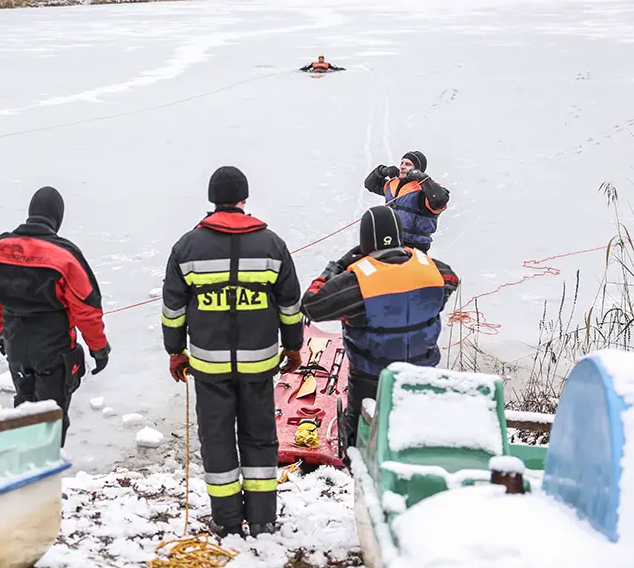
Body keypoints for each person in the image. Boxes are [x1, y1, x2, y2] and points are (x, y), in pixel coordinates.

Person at [161, 166, 304, 539]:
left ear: (212, 199)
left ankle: (226, 521)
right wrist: (293, 346)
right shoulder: (272, 245)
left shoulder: (186, 248)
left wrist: (175, 351)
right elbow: (290, 305)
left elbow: (173, 309)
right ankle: (262, 519)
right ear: (244, 198)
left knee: (217, 439)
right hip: (260, 364)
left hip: (209, 366)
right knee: (260, 437)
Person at [300, 205, 459, 450]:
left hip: (371, 378)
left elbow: (311, 305)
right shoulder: (435, 271)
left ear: (365, 241)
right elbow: (451, 281)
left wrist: (337, 267)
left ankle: (356, 461)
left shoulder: (357, 283)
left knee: (362, 438)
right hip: (422, 373)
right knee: (414, 434)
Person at [0, 186, 110, 447]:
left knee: (24, 411)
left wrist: (1, 332)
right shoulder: (64, 256)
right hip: (53, 349)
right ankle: (46, 469)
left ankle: (22, 465)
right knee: (51, 418)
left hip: (16, 346)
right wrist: (99, 348)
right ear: (57, 218)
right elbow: (87, 308)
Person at [364, 150, 449, 253]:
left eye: (408, 164)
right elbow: (370, 184)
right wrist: (383, 171)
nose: (402, 167)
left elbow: (439, 200)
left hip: (414, 248)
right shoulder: (392, 185)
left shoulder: (427, 190)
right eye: (402, 163)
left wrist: (422, 178)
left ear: (418, 169)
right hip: (390, 242)